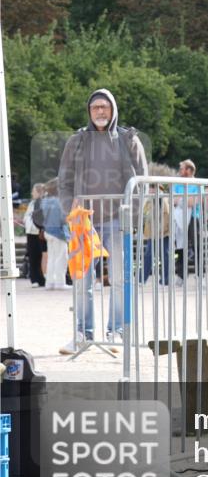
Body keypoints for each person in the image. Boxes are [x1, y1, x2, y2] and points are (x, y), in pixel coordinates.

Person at [57, 88, 148, 353]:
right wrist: (68, 209)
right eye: (95, 107)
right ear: (89, 111)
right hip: (83, 220)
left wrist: (133, 214)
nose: (99, 111)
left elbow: (142, 180)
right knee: (82, 280)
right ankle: (82, 335)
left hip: (118, 219)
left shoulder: (129, 139)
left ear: (113, 110)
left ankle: (116, 332)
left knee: (119, 279)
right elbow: (64, 180)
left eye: (104, 107)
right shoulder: (77, 140)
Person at [41, 180, 70, 294]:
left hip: (48, 231)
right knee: (61, 258)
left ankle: (50, 282)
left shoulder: (45, 201)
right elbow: (63, 219)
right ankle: (60, 282)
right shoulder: (60, 202)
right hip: (59, 232)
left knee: (52, 258)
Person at [24, 183, 47, 287]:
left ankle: (42, 279)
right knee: (33, 256)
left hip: (39, 233)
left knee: (41, 256)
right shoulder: (32, 203)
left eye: (34, 191)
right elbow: (26, 217)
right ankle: (35, 279)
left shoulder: (43, 202)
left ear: (38, 192)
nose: (32, 193)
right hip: (31, 233)